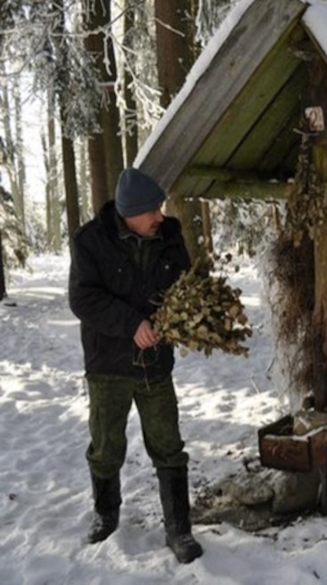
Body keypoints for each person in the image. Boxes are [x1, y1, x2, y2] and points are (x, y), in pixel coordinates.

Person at [68, 167, 203, 564]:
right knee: (106, 445)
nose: (159, 216)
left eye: (159, 208)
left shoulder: (170, 235)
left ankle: (179, 529)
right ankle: (106, 516)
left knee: (168, 445)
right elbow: (83, 299)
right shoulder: (91, 241)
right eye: (151, 211)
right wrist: (132, 324)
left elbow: (183, 285)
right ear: (130, 213)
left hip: (155, 364)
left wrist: (182, 318)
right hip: (107, 364)